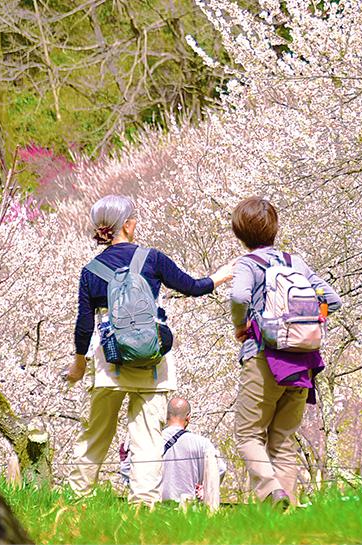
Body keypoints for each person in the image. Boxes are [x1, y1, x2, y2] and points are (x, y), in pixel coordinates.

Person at [64, 194, 235, 505]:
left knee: (96, 435)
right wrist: (221, 276)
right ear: (128, 225)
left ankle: (77, 498)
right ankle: (143, 503)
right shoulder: (152, 259)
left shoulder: (91, 271)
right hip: (152, 360)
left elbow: (84, 324)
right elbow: (192, 287)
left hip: (109, 361)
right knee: (147, 438)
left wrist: (78, 365)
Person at [230, 196, 341, 506]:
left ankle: (270, 491)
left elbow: (239, 296)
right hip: (303, 361)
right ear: (275, 229)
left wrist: (241, 325)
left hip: (264, 356)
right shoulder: (296, 263)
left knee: (248, 433)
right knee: (283, 440)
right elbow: (333, 300)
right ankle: (287, 514)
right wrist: (304, 323)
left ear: (240, 234)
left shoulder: (248, 264)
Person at [159, 396, 226, 511]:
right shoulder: (202, 443)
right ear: (188, 417)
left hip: (156, 509)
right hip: (189, 510)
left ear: (166, 415)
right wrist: (204, 489)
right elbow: (220, 469)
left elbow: (128, 468)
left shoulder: (152, 442)